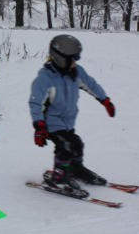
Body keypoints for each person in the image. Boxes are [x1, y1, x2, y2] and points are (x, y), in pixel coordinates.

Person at [29, 34, 115, 198]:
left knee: (76, 144)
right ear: (60, 58)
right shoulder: (45, 79)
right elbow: (35, 103)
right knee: (65, 146)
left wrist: (105, 100)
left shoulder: (76, 72)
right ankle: (58, 178)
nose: (76, 62)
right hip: (51, 123)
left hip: (68, 121)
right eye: (73, 59)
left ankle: (76, 169)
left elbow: (91, 85)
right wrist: (39, 127)